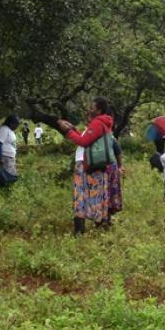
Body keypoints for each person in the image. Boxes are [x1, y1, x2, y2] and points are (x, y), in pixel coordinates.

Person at [58, 97, 122, 233]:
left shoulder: (98, 123)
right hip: (91, 163)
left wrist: (68, 132)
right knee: (96, 195)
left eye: (92, 108)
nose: (89, 110)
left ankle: (80, 230)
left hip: (85, 163)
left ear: (99, 110)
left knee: (81, 195)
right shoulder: (100, 123)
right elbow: (88, 139)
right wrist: (73, 129)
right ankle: (101, 224)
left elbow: (84, 142)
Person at [0, 115, 20, 187]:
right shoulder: (4, 129)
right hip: (5, 157)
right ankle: (4, 190)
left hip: (10, 157)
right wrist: (0, 157)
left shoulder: (10, 131)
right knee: (9, 176)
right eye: (16, 124)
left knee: (4, 175)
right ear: (11, 123)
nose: (17, 126)